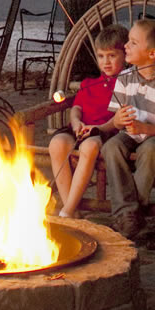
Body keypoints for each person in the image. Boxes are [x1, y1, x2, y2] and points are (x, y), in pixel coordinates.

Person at [99, 19, 155, 239]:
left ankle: (128, 214)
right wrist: (118, 121)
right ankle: (129, 213)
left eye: (133, 42)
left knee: (149, 151)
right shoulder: (125, 78)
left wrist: (146, 127)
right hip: (129, 133)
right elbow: (116, 120)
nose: (125, 46)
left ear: (152, 53)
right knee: (111, 147)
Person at [47, 26, 127, 219]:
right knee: (57, 144)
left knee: (89, 147)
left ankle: (66, 211)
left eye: (112, 55)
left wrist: (98, 129)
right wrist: (76, 123)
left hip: (104, 133)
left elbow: (119, 121)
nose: (106, 61)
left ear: (125, 55)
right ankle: (72, 210)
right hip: (80, 128)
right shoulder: (89, 83)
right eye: (101, 56)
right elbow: (77, 108)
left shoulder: (127, 84)